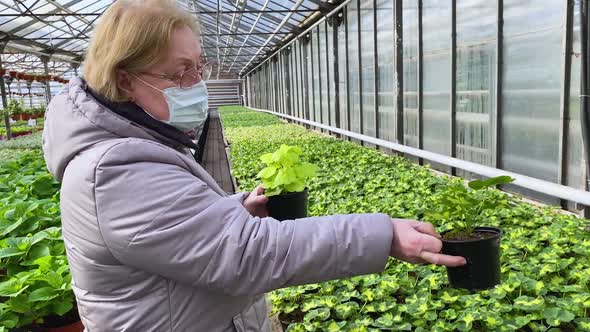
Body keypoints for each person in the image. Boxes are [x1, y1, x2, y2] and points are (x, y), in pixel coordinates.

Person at [41, 0, 466, 331]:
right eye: (178, 73)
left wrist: (232, 208)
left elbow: (176, 235)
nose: (196, 85)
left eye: (198, 67)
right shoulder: (114, 169)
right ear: (124, 79)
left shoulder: (131, 143)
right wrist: (383, 233)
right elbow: (245, 254)